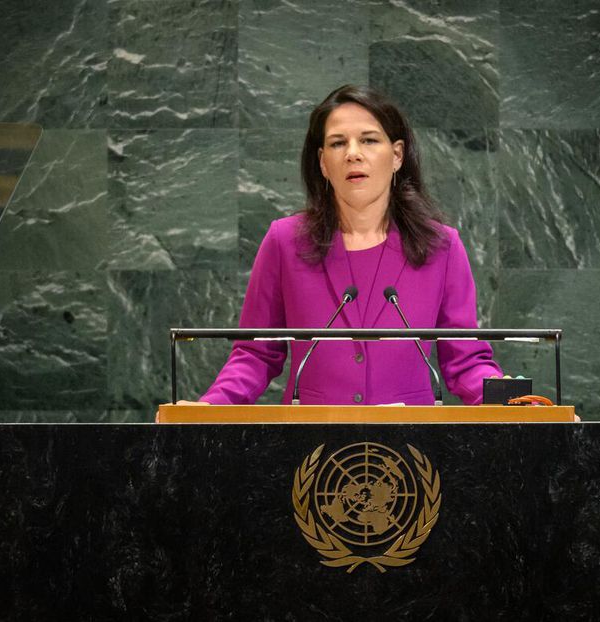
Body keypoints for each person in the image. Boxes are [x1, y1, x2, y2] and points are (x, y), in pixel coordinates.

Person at [197, 84, 502, 406]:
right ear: (323, 162)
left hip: (409, 435)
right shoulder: (284, 241)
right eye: (338, 143)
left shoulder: (441, 246)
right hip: (311, 434)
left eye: (369, 140)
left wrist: (506, 398)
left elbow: (466, 361)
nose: (353, 153)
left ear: (397, 155)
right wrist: (208, 408)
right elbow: (255, 354)